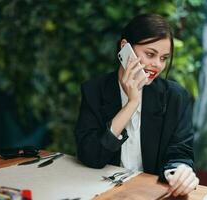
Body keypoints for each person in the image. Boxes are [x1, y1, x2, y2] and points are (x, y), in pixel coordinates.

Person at [74, 14, 199, 197]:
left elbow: (180, 152)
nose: (157, 65)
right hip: (103, 193)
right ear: (125, 48)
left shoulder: (175, 97)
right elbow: (91, 156)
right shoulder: (94, 91)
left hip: (150, 194)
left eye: (164, 58)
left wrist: (180, 172)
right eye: (150, 54)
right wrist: (131, 104)